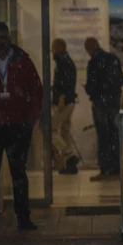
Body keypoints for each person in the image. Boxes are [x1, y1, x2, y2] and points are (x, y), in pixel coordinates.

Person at [0, 22, 43, 232]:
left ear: (9, 37)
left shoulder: (23, 61)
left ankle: (23, 218)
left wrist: (29, 120)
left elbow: (36, 91)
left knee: (18, 173)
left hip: (17, 126)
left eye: (2, 38)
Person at [84, 37, 123, 181]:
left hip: (100, 103)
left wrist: (91, 91)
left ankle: (105, 168)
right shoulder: (112, 58)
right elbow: (121, 81)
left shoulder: (93, 62)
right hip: (114, 101)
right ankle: (116, 167)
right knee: (115, 135)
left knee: (103, 135)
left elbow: (91, 85)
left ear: (89, 48)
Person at [51, 39, 80, 175]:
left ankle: (70, 156)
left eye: (53, 47)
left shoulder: (63, 62)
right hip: (69, 100)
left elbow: (65, 82)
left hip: (65, 101)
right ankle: (71, 164)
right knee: (64, 132)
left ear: (60, 47)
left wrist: (61, 98)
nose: (51, 50)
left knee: (51, 130)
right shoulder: (65, 61)